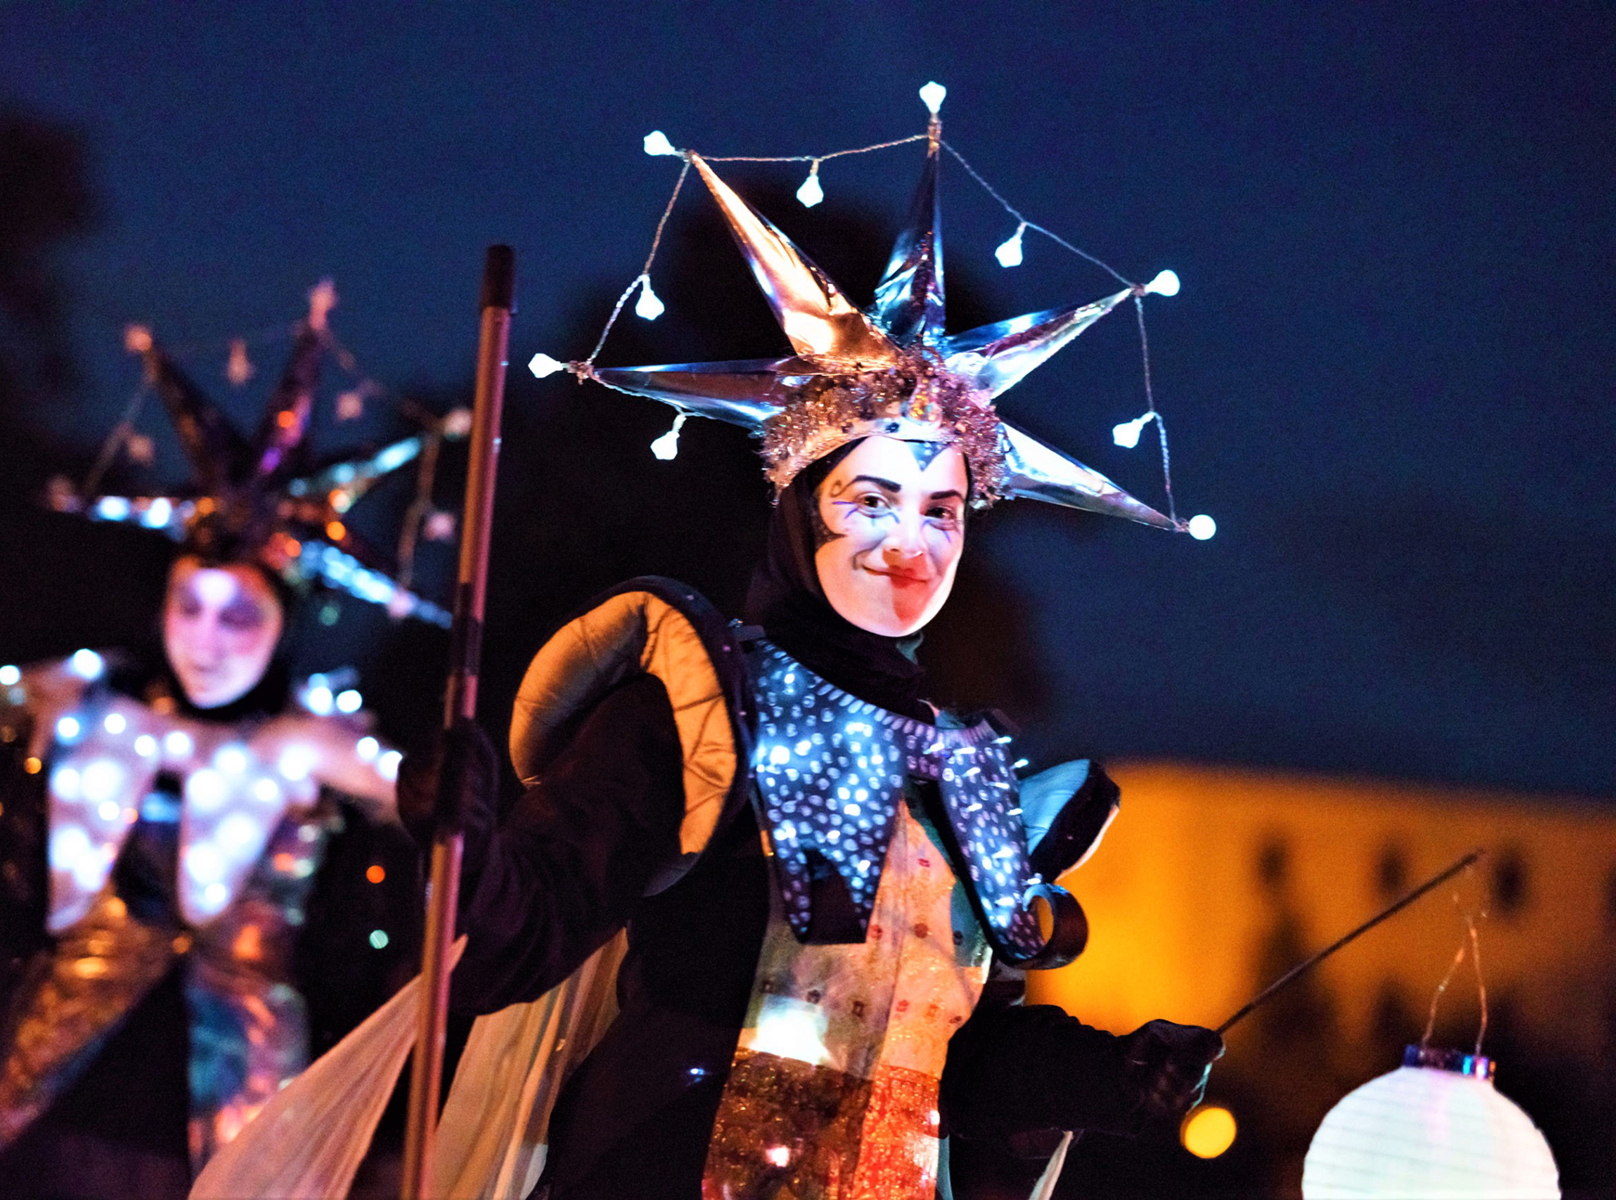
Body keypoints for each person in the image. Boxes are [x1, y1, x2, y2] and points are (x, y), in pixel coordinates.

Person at [196, 103, 1220, 1200]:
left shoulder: (963, 768)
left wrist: (1106, 1077)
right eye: (871, 500)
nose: (910, 545)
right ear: (802, 508)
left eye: (942, 510)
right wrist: (468, 844)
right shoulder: (703, 703)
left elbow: (943, 1056)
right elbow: (524, 929)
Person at [0, 289, 447, 1200]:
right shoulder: (93, 701)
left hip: (237, 1085)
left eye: (239, 616)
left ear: (281, 625)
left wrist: (442, 786)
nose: (207, 639)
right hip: (67, 1078)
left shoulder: (312, 738)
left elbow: (429, 808)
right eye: (190, 606)